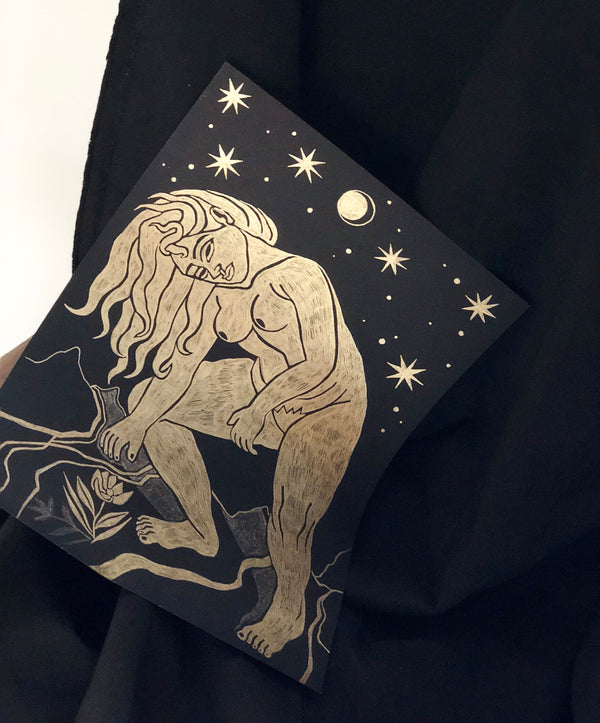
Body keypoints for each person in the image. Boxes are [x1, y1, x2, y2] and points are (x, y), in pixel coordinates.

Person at [68, 189, 367, 659]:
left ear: (227, 222)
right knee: (148, 401)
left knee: (291, 519)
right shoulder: (212, 296)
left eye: (205, 251)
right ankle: (200, 531)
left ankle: (289, 611)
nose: (206, 270)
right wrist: (137, 422)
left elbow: (321, 364)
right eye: (193, 267)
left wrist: (260, 409)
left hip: (328, 403)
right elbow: (182, 367)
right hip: (260, 388)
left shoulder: (300, 275)